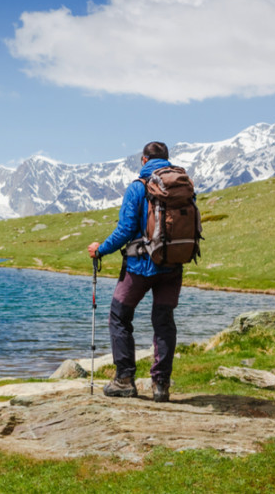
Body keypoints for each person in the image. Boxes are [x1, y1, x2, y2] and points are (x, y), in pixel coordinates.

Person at [87, 141, 182, 403]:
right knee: (163, 322)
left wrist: (101, 249)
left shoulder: (138, 187)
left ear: (143, 160)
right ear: (167, 160)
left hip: (141, 266)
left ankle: (125, 379)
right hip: (173, 265)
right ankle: (161, 385)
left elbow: (126, 230)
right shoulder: (181, 185)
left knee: (119, 315)